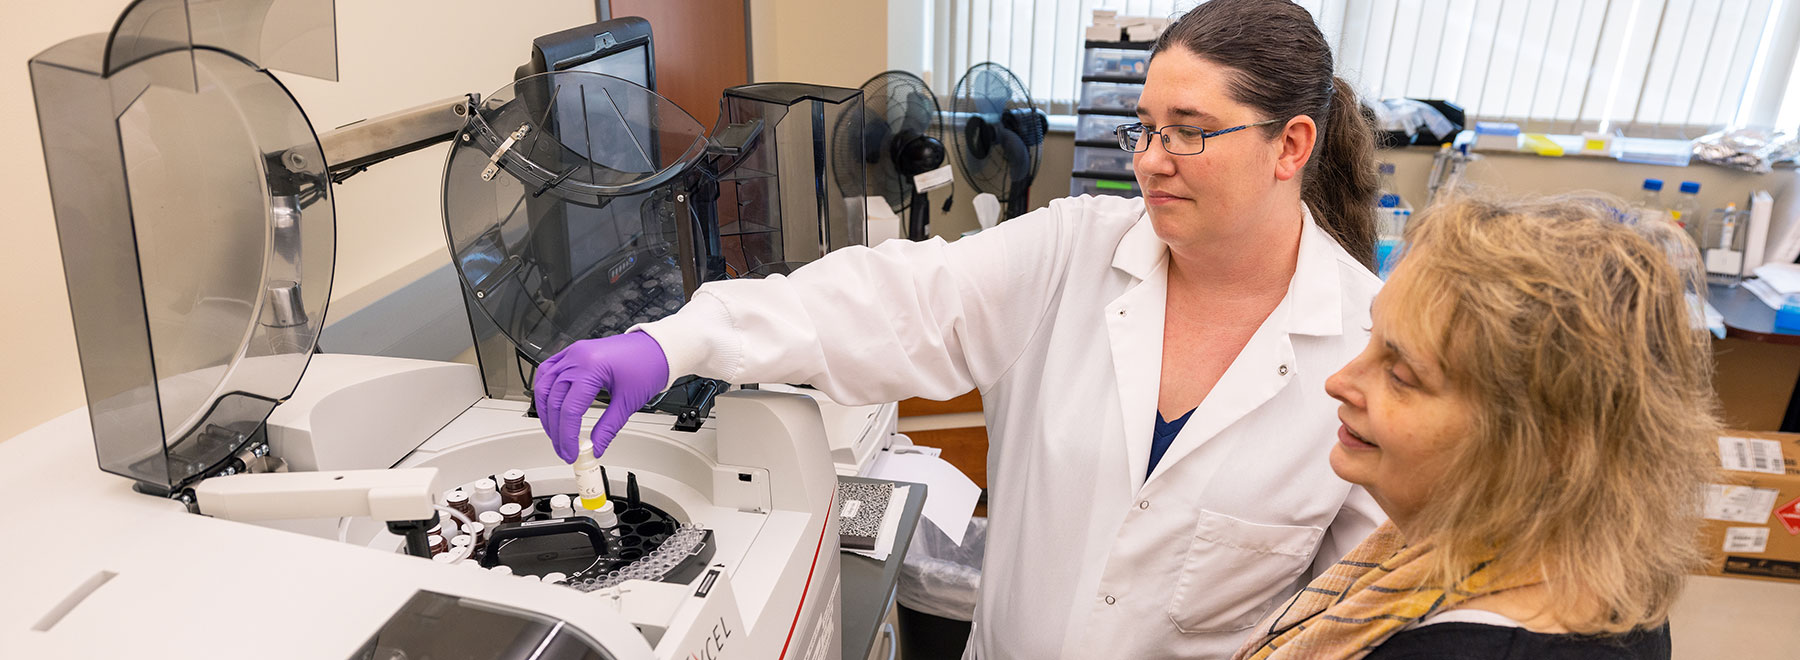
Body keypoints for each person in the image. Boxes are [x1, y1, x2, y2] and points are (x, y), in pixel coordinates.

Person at [536, 1, 1386, 656]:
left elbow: (1368, 609)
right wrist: (676, 339)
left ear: (1291, 145)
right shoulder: (1073, 252)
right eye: (1146, 127)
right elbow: (887, 297)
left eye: (1190, 133)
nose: (1151, 158)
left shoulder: (1367, 350)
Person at [1232, 194, 1719, 660]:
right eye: (1371, 337)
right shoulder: (1595, 569)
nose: (1340, 382)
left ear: (1550, 443)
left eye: (1402, 375)